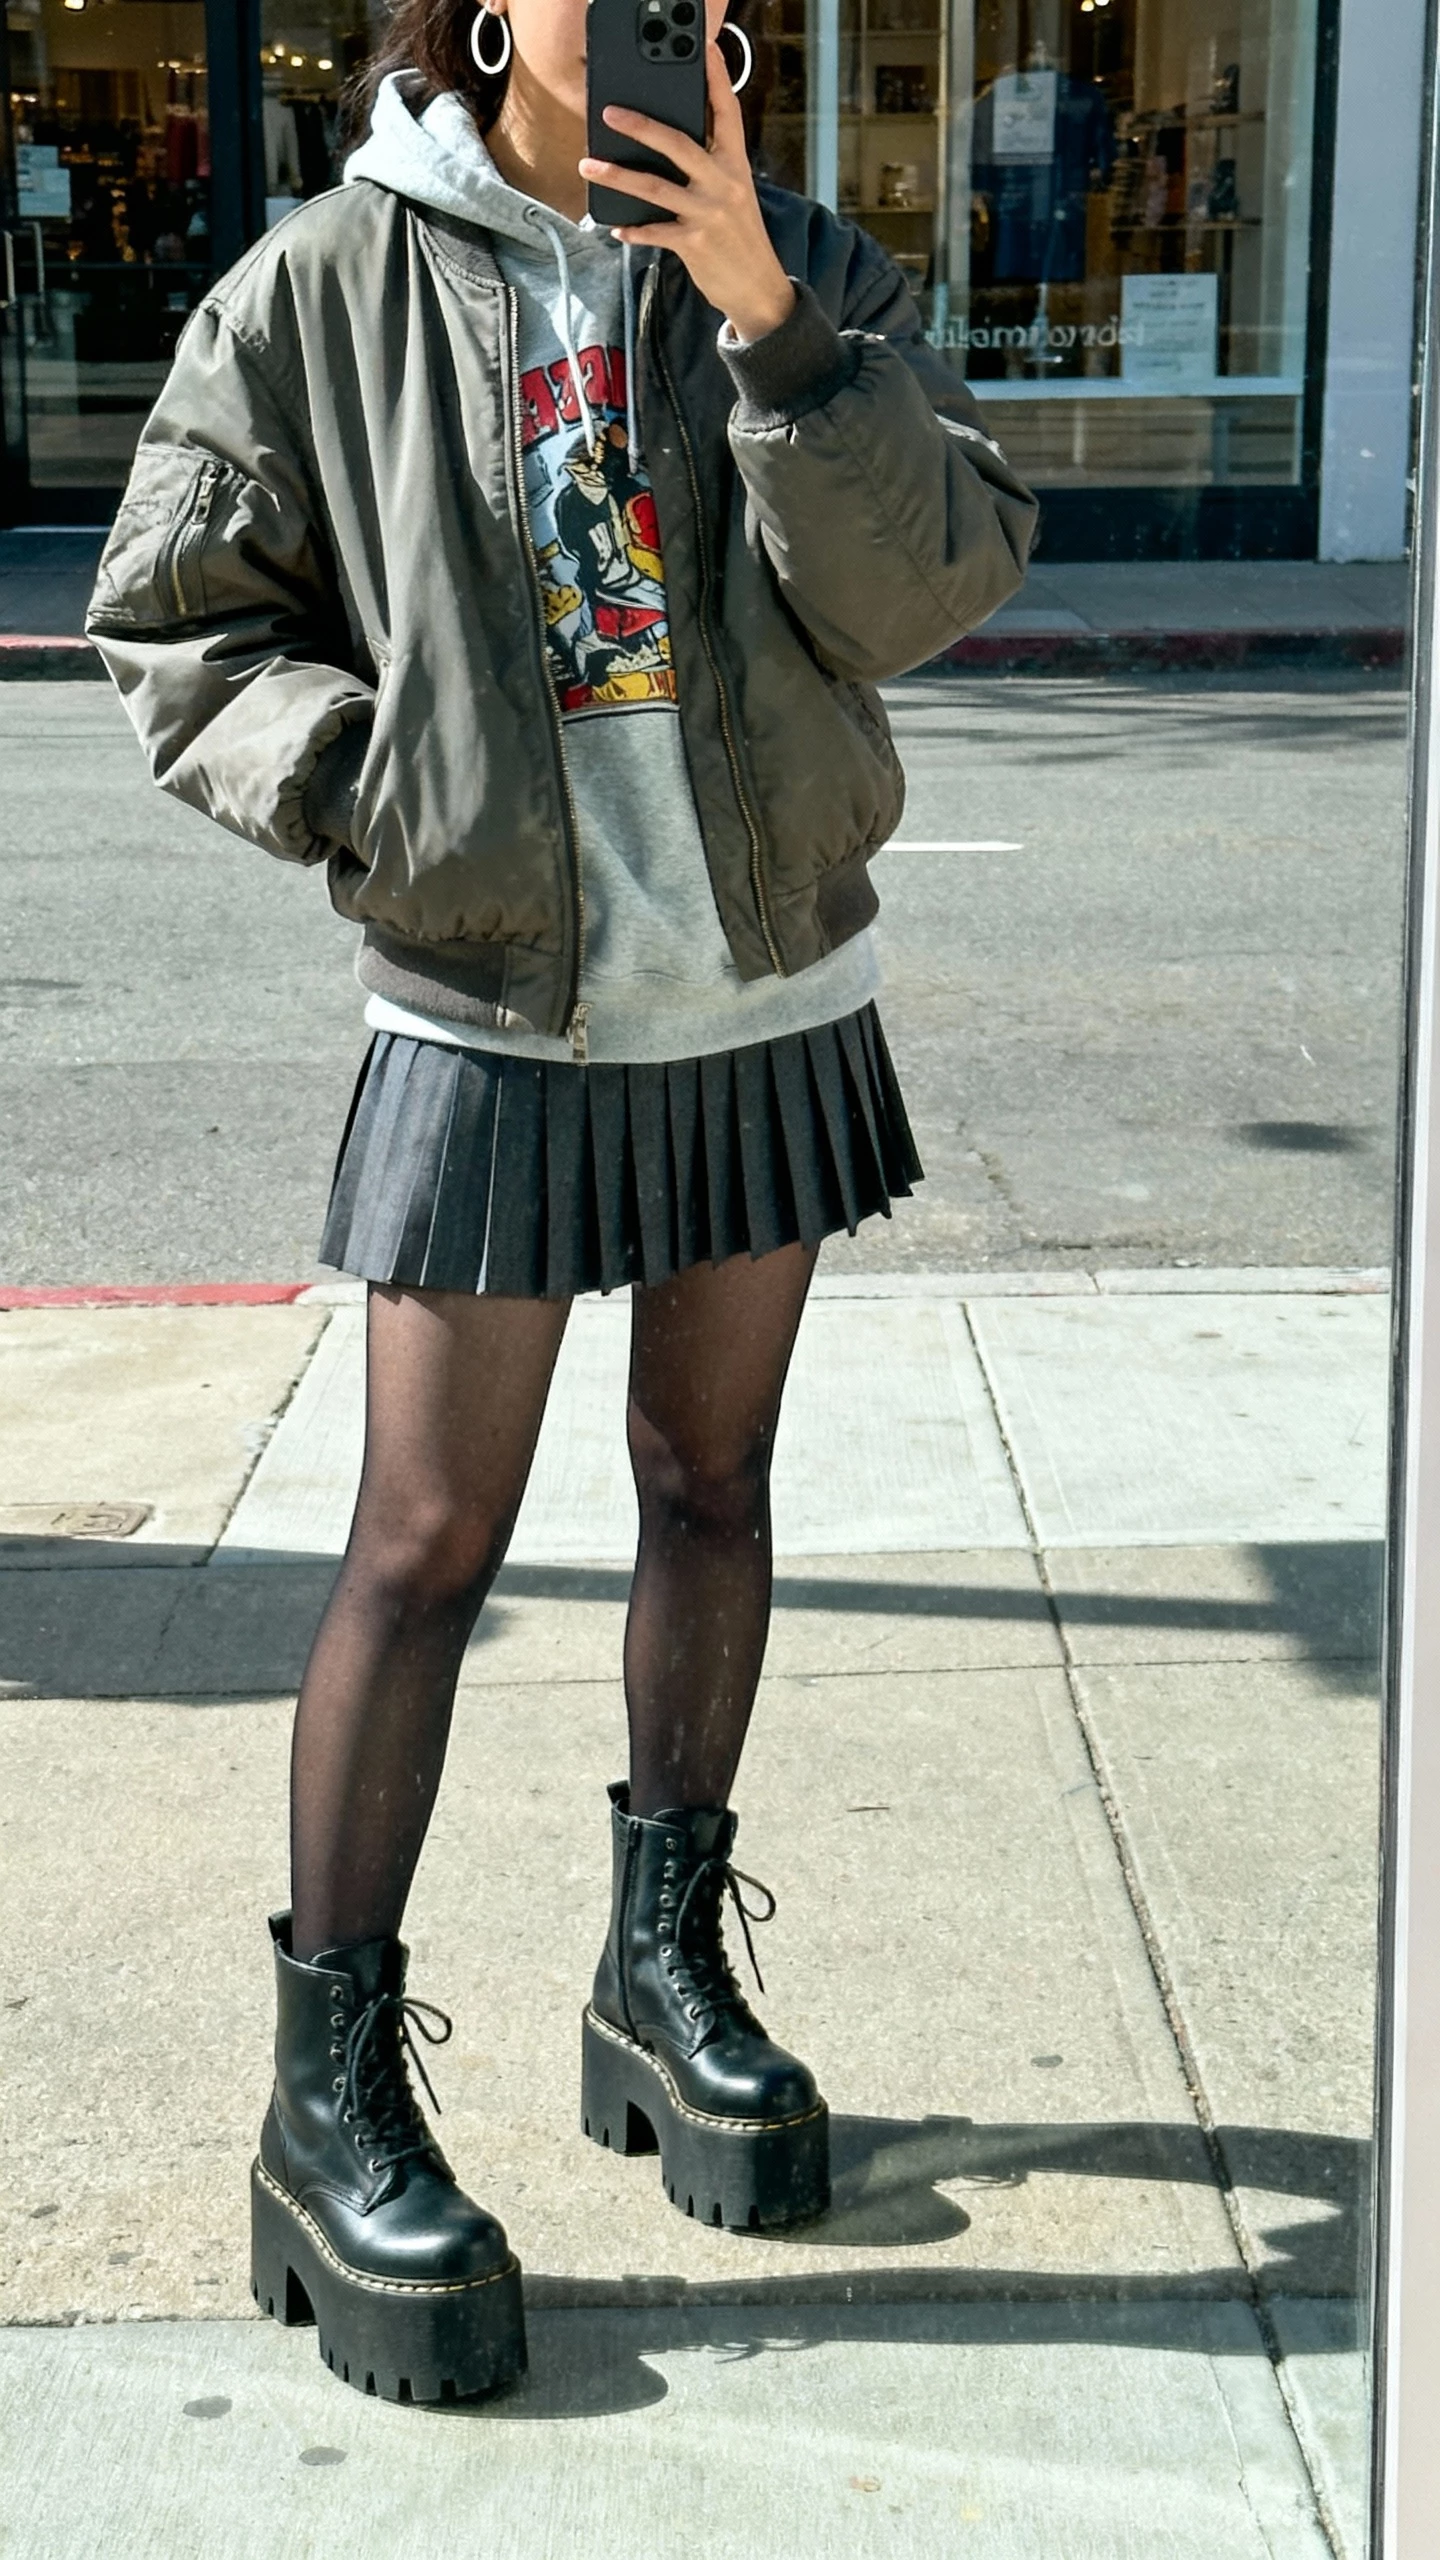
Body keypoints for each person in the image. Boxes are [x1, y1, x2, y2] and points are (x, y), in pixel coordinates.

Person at [86, 0, 1036, 2408]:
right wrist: (370, 786)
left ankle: (664, 1969)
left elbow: (929, 586)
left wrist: (771, 321)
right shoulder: (324, 281)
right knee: (420, 1544)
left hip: (760, 995)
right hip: (493, 1002)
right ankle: (326, 2096)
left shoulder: (803, 262)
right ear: (491, 17)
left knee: (712, 1485)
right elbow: (174, 621)